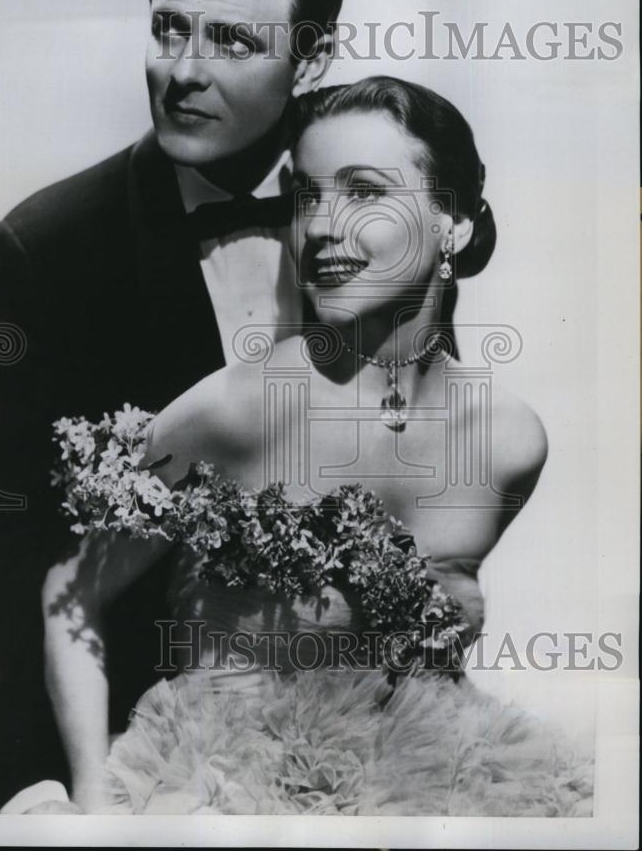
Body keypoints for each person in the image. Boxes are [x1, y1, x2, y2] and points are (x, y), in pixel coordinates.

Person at [40, 77, 593, 816]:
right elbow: (71, 593)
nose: (321, 228)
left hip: (433, 795)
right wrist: (91, 804)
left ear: (451, 223)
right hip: (221, 797)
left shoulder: (509, 440)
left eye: (364, 191)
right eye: (306, 197)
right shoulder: (237, 409)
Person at [0, 0, 343, 813]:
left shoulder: (376, 213)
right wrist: (31, 792)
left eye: (234, 43)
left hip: (348, 725)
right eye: (169, 29)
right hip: (137, 757)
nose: (183, 72)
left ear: (314, 56)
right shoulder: (45, 250)